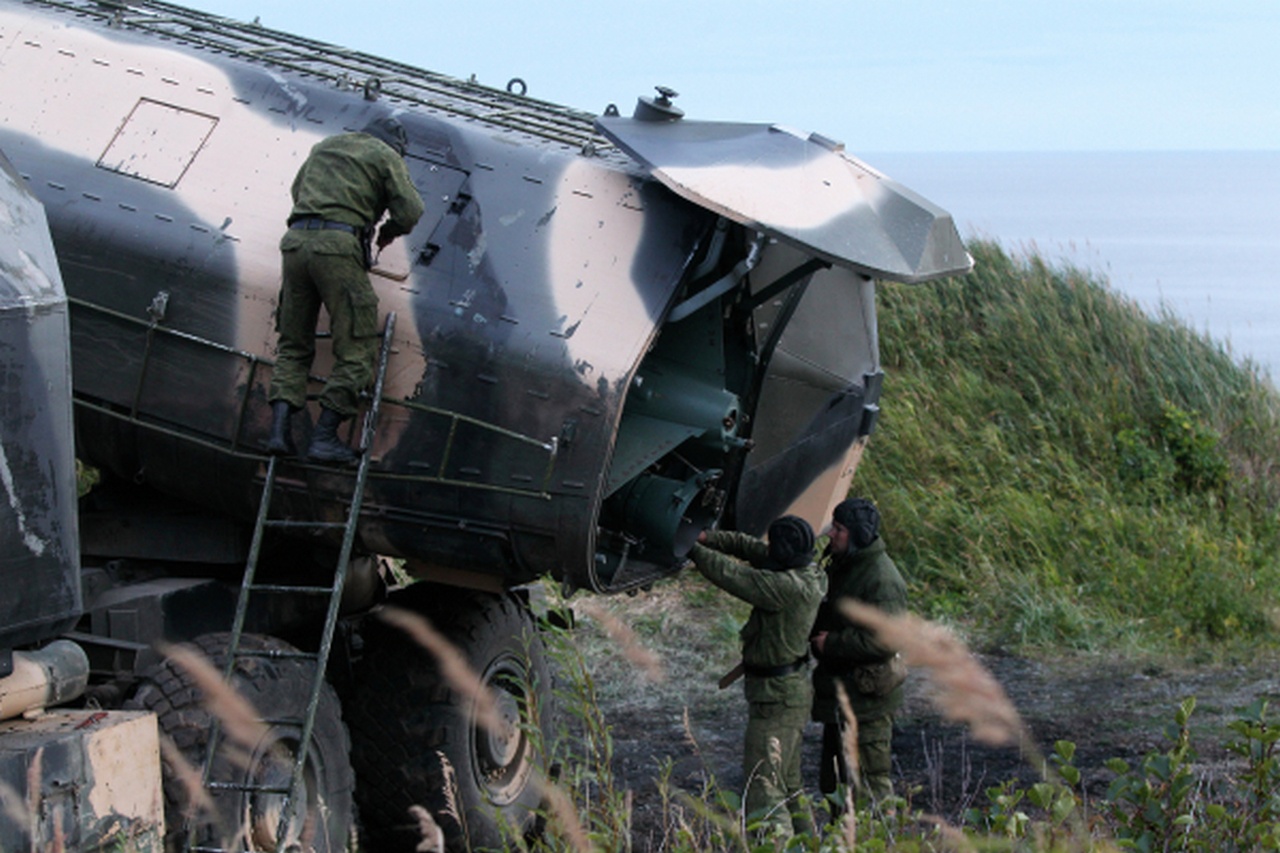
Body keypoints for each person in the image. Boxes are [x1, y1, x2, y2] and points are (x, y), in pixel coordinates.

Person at [266, 116, 425, 463]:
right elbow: (411, 210)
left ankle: (278, 432)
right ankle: (324, 437)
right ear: (396, 146)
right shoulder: (386, 155)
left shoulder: (324, 146)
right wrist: (388, 231)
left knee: (293, 343)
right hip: (338, 246)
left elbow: (298, 192)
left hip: (295, 243)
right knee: (356, 347)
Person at [689, 516, 827, 840]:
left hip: (775, 699)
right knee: (788, 783)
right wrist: (708, 537)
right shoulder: (810, 573)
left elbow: (734, 575)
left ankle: (772, 845)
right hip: (788, 694)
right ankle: (807, 845)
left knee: (762, 788)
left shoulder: (784, 588)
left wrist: (691, 549)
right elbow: (752, 550)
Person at [809, 497, 908, 807]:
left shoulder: (881, 579)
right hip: (843, 695)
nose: (830, 535)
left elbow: (887, 640)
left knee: (868, 786)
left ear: (857, 535)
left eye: (838, 529)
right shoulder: (848, 565)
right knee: (837, 784)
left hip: (866, 702)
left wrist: (833, 644)